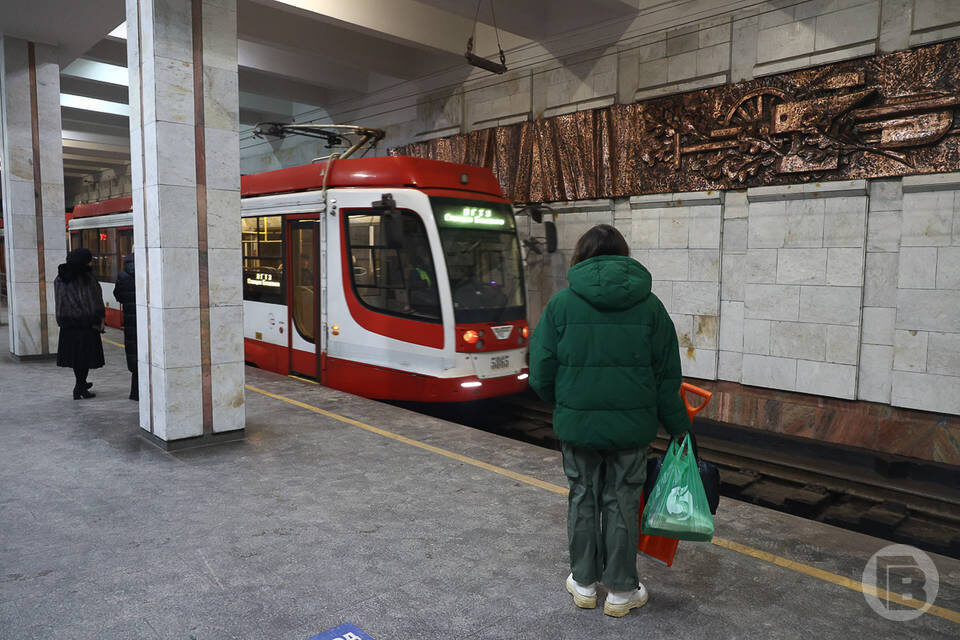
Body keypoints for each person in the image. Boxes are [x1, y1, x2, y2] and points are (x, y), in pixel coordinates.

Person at [529, 224, 689, 618]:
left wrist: (567, 403)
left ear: (581, 257)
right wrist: (680, 428)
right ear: (624, 256)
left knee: (583, 496)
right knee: (621, 502)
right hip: (631, 431)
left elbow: (540, 373)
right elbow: (667, 378)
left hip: (578, 428)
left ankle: (583, 584)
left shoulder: (561, 305)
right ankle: (620, 591)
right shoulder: (651, 307)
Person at [55, 248, 105, 400]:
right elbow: (95, 302)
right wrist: (100, 320)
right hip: (86, 325)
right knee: (85, 357)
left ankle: (81, 384)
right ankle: (80, 387)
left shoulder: (60, 278)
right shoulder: (86, 278)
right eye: (89, 259)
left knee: (77, 358)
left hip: (67, 326)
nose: (91, 262)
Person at [113, 253, 138, 400]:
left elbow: (118, 295)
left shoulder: (123, 275)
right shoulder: (146, 270)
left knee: (134, 355)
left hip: (130, 321)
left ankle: (135, 393)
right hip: (146, 320)